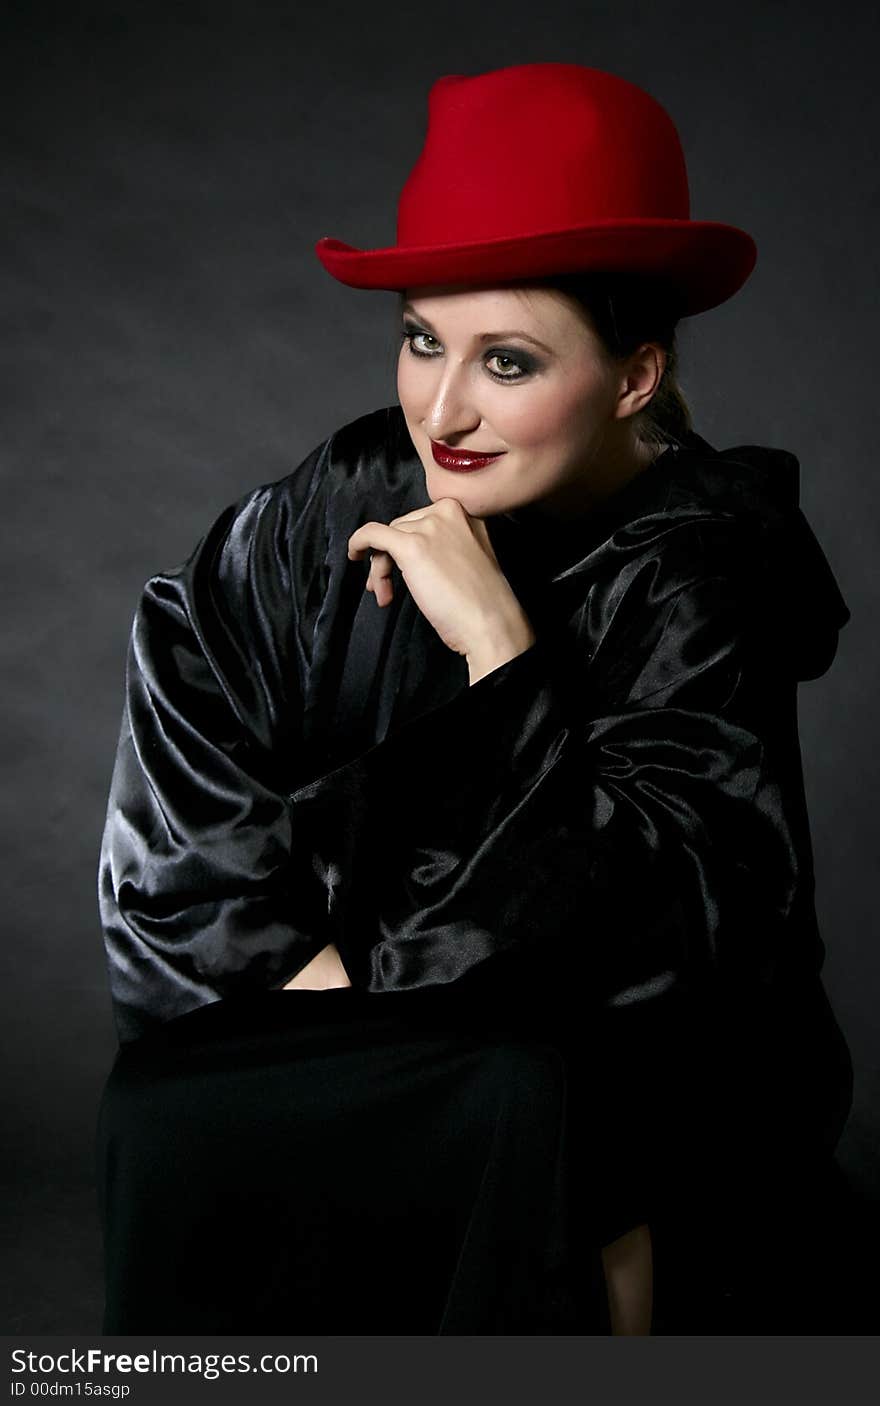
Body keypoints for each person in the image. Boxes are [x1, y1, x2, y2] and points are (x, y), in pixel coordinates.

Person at [94, 61, 854, 1335]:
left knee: (528, 1103)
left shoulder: (700, 563)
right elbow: (194, 680)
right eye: (419, 339)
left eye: (505, 359)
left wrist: (503, 649)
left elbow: (673, 938)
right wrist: (307, 977)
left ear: (630, 376)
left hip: (636, 1059)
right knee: (166, 1100)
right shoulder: (359, 487)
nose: (441, 409)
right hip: (363, 1000)